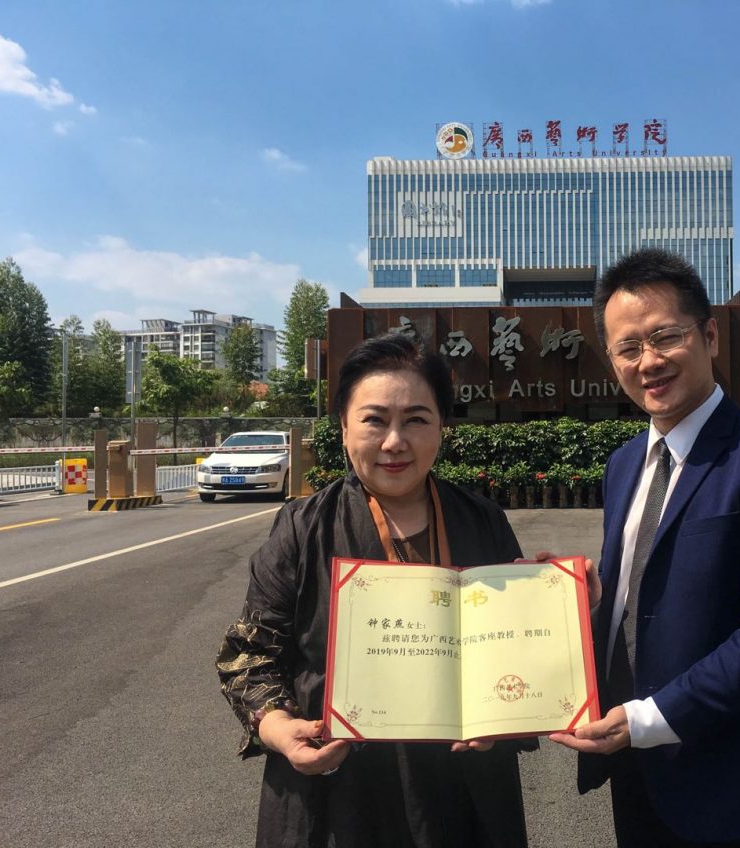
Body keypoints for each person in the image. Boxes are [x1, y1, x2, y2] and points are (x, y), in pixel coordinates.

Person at [550, 248, 740, 847]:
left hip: (729, 779)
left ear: (708, 336)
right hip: (634, 767)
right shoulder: (624, 463)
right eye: (628, 348)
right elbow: (641, 591)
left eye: (665, 337)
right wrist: (586, 600)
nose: (648, 361)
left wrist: (648, 719)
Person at [216, 333, 532, 848]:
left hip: (463, 785)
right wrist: (277, 728)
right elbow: (248, 654)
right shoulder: (304, 527)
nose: (394, 442)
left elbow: (515, 649)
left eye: (416, 420)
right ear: (344, 427)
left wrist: (551, 604)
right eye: (374, 420)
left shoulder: (482, 520)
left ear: (443, 427)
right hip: (338, 786)